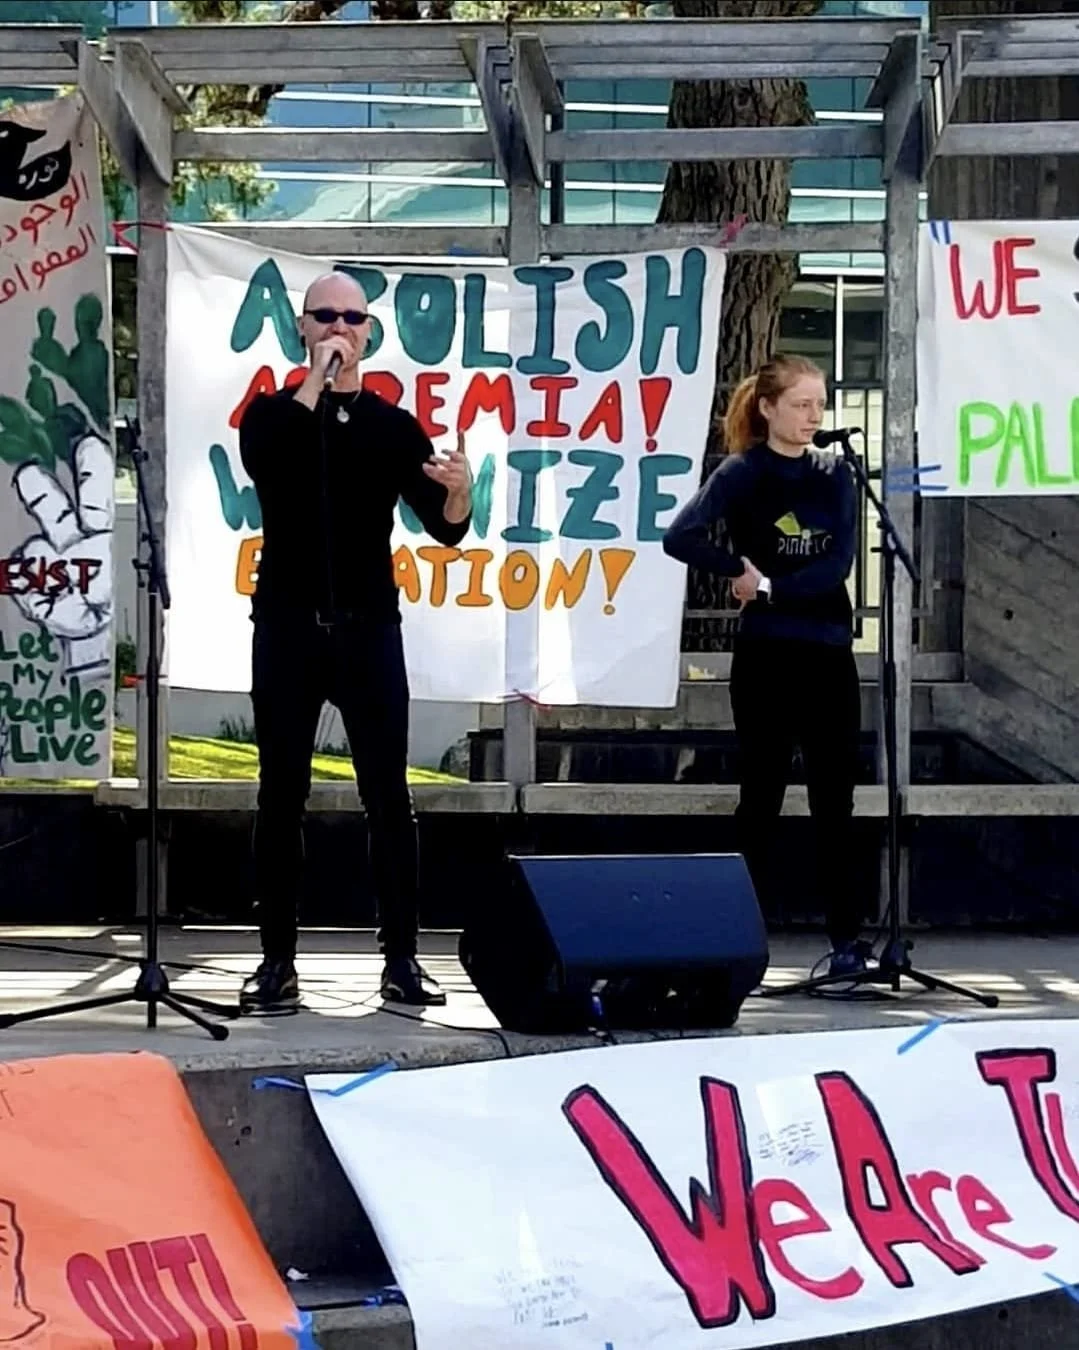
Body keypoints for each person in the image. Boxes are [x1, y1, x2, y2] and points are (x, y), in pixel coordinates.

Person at [236, 270, 473, 1014]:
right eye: (326, 316)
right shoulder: (271, 415)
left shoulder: (390, 426)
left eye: (354, 319)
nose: (341, 328)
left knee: (387, 798)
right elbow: (270, 465)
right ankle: (277, 962)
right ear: (302, 327)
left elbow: (444, 523)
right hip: (287, 627)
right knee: (281, 796)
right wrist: (316, 381)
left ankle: (401, 958)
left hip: (369, 628)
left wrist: (461, 489)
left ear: (370, 332)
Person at [662, 354, 868, 977]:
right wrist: (735, 571)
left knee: (837, 800)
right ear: (769, 408)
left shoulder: (835, 473)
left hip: (828, 649)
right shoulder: (743, 472)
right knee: (762, 799)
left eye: (819, 404)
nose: (813, 416)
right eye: (801, 404)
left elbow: (837, 564)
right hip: (768, 656)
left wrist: (772, 585)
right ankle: (737, 941)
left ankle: (848, 942)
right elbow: (681, 536)